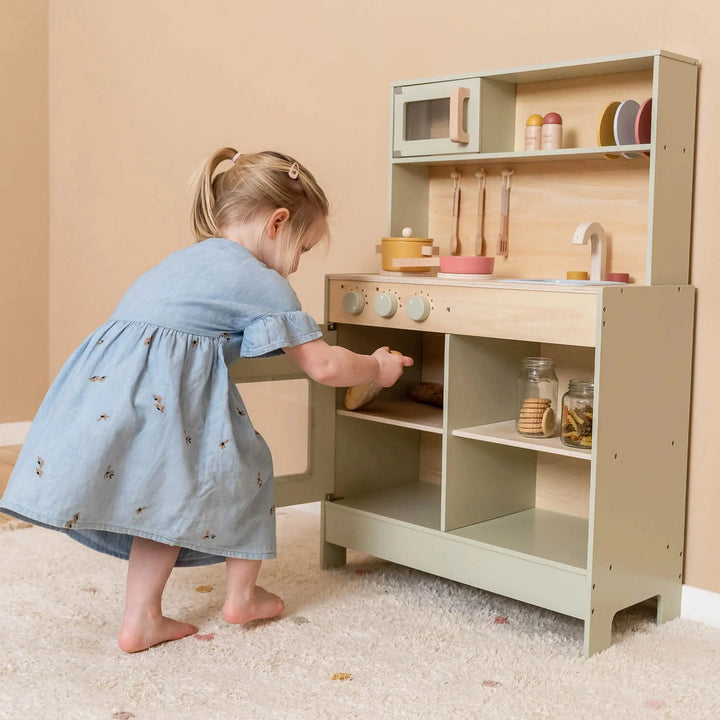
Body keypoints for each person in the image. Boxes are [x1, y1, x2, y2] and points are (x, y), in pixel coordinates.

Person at [0, 149, 413, 653]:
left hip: (106, 387)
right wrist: (377, 367)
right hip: (161, 395)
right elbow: (325, 366)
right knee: (251, 468)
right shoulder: (265, 283)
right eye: (302, 247)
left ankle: (141, 619)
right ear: (277, 223)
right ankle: (241, 595)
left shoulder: (187, 261)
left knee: (162, 499)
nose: (298, 263)